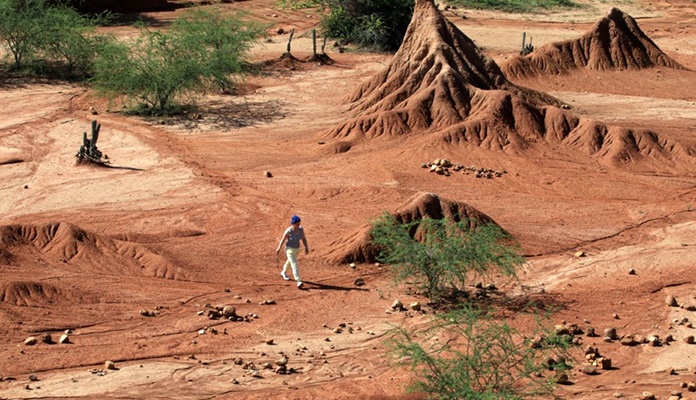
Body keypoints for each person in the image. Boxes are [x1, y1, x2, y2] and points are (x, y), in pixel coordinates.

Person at [275, 215, 309, 288]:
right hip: (289, 249)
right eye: (297, 224)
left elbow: (304, 239)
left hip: (297, 249)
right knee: (294, 264)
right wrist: (278, 248)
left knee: (290, 261)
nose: (298, 225)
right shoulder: (288, 231)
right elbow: (282, 240)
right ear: (293, 224)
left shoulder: (301, 230)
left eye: (299, 224)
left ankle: (283, 272)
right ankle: (298, 281)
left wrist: (306, 247)